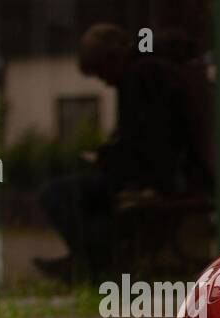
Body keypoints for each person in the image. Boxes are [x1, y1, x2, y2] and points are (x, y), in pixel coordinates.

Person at [37, 23, 200, 282]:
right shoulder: (155, 71)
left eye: (101, 72)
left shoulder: (139, 78)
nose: (105, 81)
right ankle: (89, 261)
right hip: (162, 175)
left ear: (112, 58)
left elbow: (146, 142)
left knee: (57, 194)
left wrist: (110, 160)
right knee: (86, 200)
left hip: (149, 179)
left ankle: (94, 265)